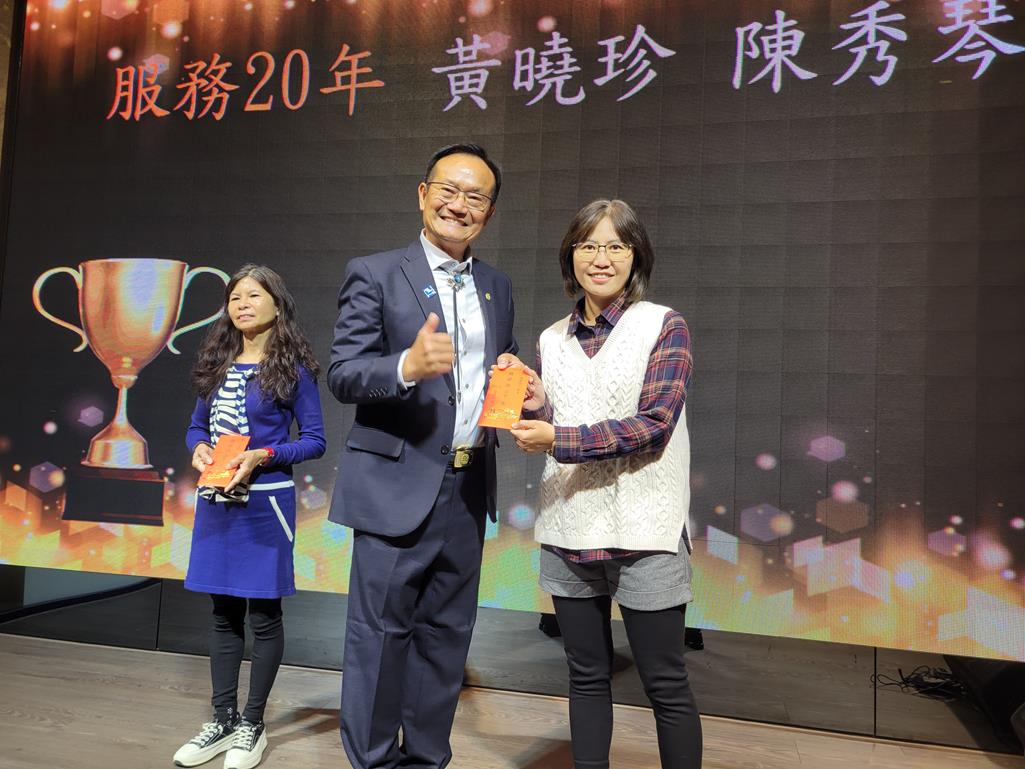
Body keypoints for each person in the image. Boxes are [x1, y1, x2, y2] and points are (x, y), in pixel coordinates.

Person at [327, 143, 518, 769]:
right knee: (379, 637)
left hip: (468, 487)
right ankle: (374, 761)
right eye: (449, 190)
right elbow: (343, 373)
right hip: (396, 487)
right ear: (422, 193)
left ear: (489, 212)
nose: (459, 205)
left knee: (446, 637)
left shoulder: (496, 286)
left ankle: (427, 760)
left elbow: (497, 368)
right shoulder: (376, 272)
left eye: (476, 197)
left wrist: (521, 385)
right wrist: (405, 366)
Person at [510, 199, 701, 769]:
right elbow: (567, 411)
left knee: (664, 681)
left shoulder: (663, 324)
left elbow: (654, 424)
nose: (601, 258)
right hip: (569, 526)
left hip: (646, 529)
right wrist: (537, 403)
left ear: (635, 255)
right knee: (586, 676)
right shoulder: (551, 338)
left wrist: (558, 437)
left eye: (616, 245)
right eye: (589, 245)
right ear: (570, 255)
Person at [175, 264, 326, 769]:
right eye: (235, 296)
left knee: (263, 616)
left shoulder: (293, 370)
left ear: (277, 306)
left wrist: (263, 455)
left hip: (266, 505)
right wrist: (198, 449)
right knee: (222, 613)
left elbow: (314, 441)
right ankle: (222, 720)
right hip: (216, 501)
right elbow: (197, 427)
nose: (242, 304)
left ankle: (252, 724)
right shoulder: (217, 363)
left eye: (253, 295)